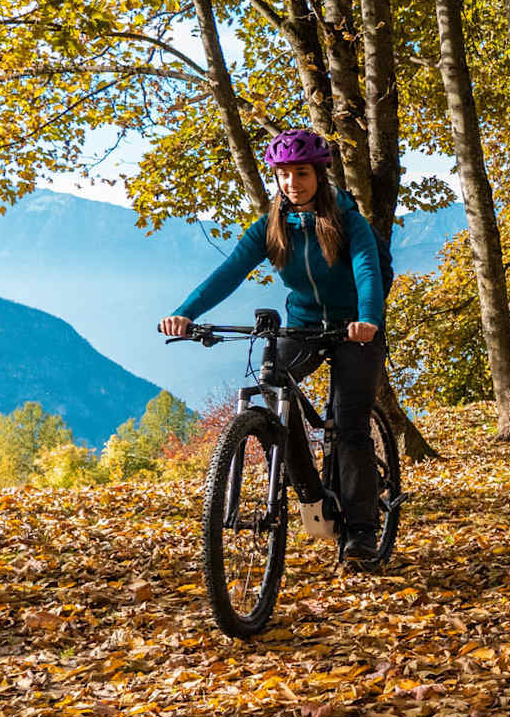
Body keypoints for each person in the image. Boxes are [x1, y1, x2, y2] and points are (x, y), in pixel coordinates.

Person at [158, 129, 388, 563]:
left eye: (301, 173)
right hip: (301, 325)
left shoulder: (347, 221)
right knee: (270, 385)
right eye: (283, 174)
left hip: (354, 328)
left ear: (319, 174)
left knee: (349, 423)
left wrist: (369, 320)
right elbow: (229, 272)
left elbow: (368, 272)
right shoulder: (272, 226)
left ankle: (361, 530)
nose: (292, 183)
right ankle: (311, 490)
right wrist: (186, 313)